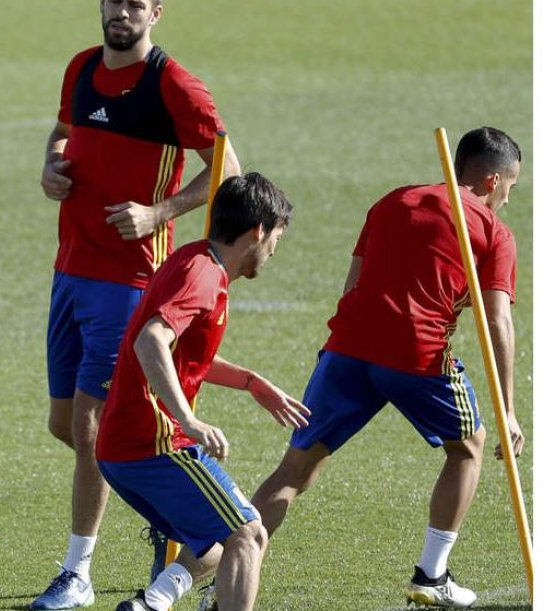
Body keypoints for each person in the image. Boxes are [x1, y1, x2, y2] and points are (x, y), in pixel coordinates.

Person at [207, 127, 523, 610]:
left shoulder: (392, 201)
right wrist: (509, 410)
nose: (508, 199)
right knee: (469, 447)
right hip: (418, 356)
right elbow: (498, 318)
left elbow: (353, 282)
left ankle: (222, 583)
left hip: (348, 348)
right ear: (492, 179)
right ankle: (432, 574)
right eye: (510, 189)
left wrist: (333, 351)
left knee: (295, 469)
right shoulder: (493, 232)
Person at [31, 0, 244, 610]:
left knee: (94, 426)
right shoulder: (81, 68)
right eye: (112, 0)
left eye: (134, 5)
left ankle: (77, 573)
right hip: (70, 271)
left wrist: (158, 212)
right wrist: (52, 165)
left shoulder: (175, 86)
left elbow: (228, 172)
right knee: (66, 425)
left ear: (156, 12)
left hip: (129, 281)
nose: (120, 13)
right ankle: (171, 519)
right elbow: (63, 133)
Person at [95, 172, 310, 611]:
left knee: (217, 544)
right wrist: (189, 420)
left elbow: (181, 354)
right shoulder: (203, 275)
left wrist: (250, 382)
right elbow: (151, 340)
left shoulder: (195, 260)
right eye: (275, 242)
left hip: (126, 446)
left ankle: (150, 603)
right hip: (153, 443)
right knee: (249, 533)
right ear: (258, 232)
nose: (272, 254)